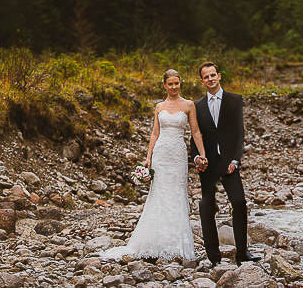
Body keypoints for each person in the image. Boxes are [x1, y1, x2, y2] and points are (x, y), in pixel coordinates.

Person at [103, 69, 207, 261]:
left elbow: (195, 132)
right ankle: (154, 240)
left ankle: (176, 244)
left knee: (176, 194)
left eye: (177, 83)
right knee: (158, 194)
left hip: (177, 155)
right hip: (160, 154)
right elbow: (154, 133)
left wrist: (202, 154)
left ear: (180, 83)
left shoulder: (189, 105)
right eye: (170, 84)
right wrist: (148, 157)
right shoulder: (159, 106)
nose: (174, 87)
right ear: (164, 85)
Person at [190, 61, 259, 266]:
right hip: (208, 164)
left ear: (219, 76)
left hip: (229, 163)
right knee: (207, 207)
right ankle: (213, 257)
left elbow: (239, 133)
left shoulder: (234, 100)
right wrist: (196, 158)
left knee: (239, 203)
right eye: (206, 77)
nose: (210, 79)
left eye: (213, 75)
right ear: (201, 81)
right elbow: (195, 136)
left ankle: (242, 253)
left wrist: (235, 160)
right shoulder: (197, 106)